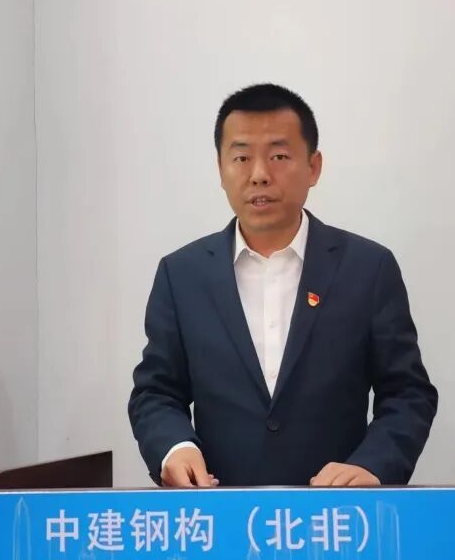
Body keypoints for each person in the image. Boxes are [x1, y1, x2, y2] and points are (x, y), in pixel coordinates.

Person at [128, 83, 438, 487]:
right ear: (220, 169)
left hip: (334, 512)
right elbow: (156, 392)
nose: (259, 175)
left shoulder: (368, 268)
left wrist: (374, 465)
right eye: (241, 157)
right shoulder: (182, 275)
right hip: (221, 509)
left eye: (278, 156)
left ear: (313, 167)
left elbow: (407, 393)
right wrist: (175, 447)